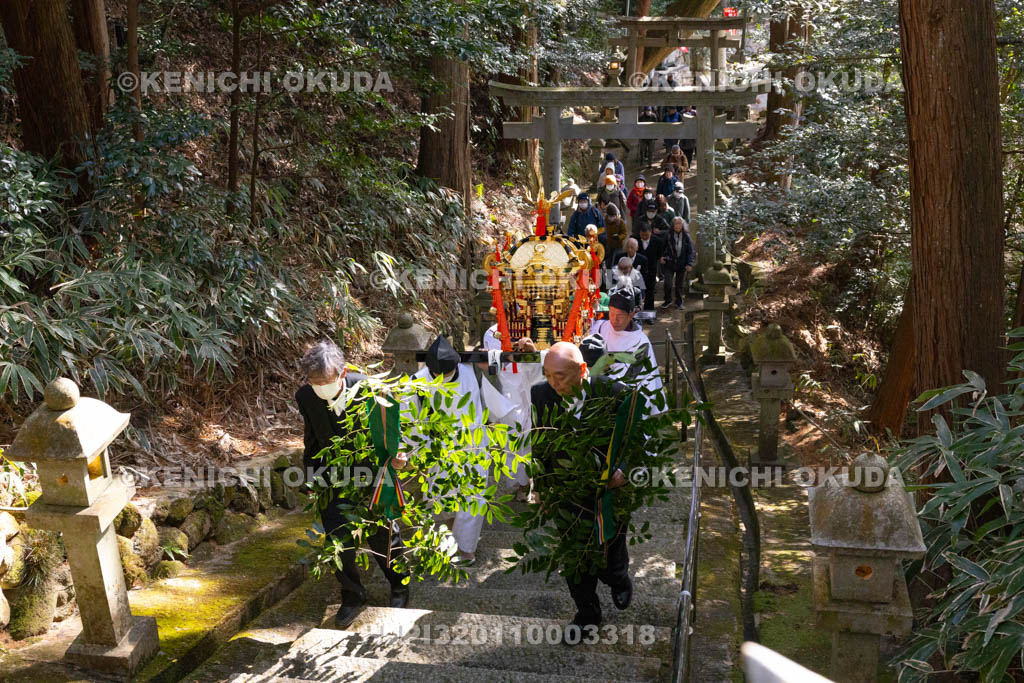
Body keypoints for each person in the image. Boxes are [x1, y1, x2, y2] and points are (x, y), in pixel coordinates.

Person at [295, 340, 410, 628]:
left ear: (343, 373)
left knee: (382, 533)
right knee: (337, 539)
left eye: (326, 381)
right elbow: (312, 439)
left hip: (372, 473)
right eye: (314, 382)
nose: (320, 387)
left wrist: (398, 457)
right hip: (332, 476)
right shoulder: (306, 397)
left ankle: (399, 585)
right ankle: (352, 595)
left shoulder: (372, 391)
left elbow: (393, 433)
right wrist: (311, 479)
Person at [530, 342, 633, 640]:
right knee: (575, 555)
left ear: (583, 370)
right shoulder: (541, 394)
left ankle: (618, 577)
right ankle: (587, 613)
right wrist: (543, 485)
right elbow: (541, 443)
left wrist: (623, 470)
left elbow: (634, 437)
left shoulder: (613, 393)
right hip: (567, 490)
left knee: (611, 544)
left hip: (609, 489)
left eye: (560, 376)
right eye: (548, 375)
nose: (554, 383)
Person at [408, 336, 496, 564]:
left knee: (473, 499)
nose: (442, 378)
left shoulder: (471, 372)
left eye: (446, 374)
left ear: (456, 364)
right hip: (437, 450)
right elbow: (408, 420)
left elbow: (495, 386)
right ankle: (450, 540)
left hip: (473, 446)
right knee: (442, 497)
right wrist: (411, 451)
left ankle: (466, 549)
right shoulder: (416, 383)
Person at [481, 328, 545, 502]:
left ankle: (539, 482)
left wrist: (532, 354)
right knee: (513, 442)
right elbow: (492, 366)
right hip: (508, 393)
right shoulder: (493, 332)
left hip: (533, 388)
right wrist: (492, 357)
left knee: (538, 438)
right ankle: (521, 484)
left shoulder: (538, 324)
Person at [589, 288, 665, 413]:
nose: (614, 320)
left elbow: (630, 380)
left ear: (631, 314)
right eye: (612, 313)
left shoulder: (640, 343)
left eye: (620, 316)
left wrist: (602, 371)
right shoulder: (603, 326)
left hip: (625, 396)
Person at [660, 217, 696, 309]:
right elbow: (661, 247)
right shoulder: (668, 235)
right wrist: (661, 257)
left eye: (679, 223)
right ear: (672, 225)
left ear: (682, 225)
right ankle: (667, 300)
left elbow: (690, 251)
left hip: (681, 264)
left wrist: (689, 263)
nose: (677, 226)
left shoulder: (686, 236)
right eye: (675, 224)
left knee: (679, 285)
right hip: (669, 263)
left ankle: (679, 302)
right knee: (668, 283)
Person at [636, 225, 665, 311]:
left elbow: (659, 255)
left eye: (646, 235)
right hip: (638, 271)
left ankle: (649, 312)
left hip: (651, 270)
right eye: (642, 235)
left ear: (650, 233)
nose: (644, 237)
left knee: (650, 292)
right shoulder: (635, 239)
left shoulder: (658, 241)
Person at [601, 204, 628, 270]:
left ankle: (616, 278)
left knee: (616, 262)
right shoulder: (604, 221)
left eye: (613, 216)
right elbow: (601, 231)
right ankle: (609, 278)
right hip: (608, 246)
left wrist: (619, 237)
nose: (612, 218)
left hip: (618, 246)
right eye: (610, 216)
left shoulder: (620, 222)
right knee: (608, 264)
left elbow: (624, 233)